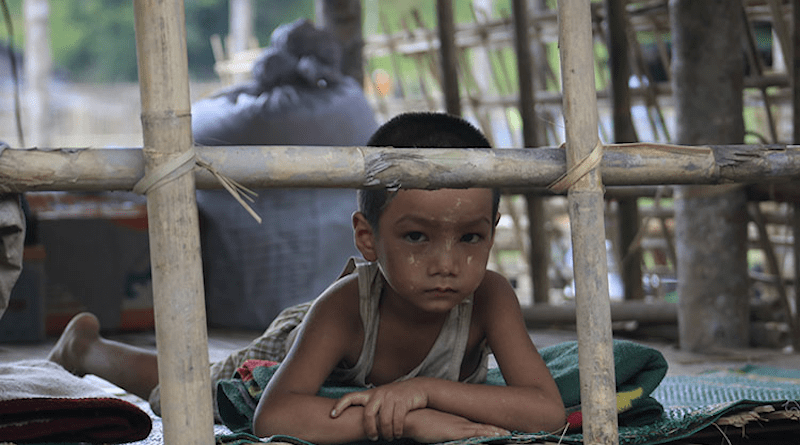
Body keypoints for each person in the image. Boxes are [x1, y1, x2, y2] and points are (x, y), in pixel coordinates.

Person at [48, 112, 566, 444]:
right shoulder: (346, 308)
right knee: (193, 387)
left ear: (492, 233)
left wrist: (424, 392)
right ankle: (87, 350)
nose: (447, 263)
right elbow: (275, 418)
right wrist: (398, 421)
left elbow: (545, 411)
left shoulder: (489, 296)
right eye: (416, 238)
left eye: (470, 238)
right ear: (367, 238)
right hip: (286, 348)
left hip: (352, 379)